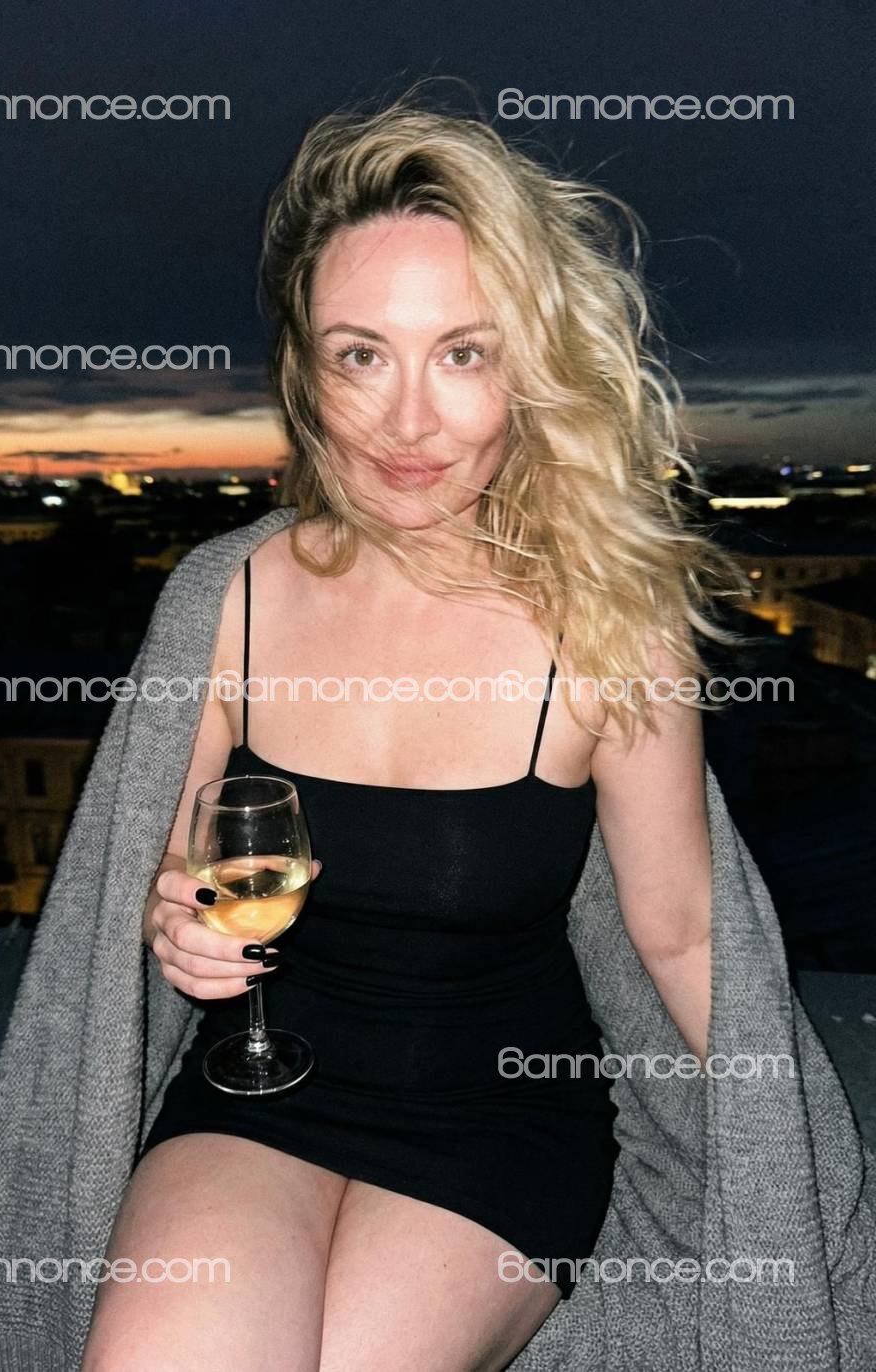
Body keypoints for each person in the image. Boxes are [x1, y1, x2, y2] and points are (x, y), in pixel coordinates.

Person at [79, 96, 754, 1372]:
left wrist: (789, 1138)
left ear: (531, 368)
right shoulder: (228, 595)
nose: (405, 422)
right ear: (305, 371)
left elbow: (684, 933)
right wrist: (177, 921)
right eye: (360, 355)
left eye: (462, 353)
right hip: (255, 1091)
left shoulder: (611, 621)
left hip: (501, 1114)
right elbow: (169, 869)